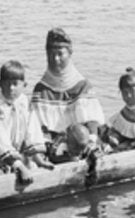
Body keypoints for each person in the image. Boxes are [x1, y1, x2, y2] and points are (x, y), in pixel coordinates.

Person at [27, 28, 106, 162]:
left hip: (83, 142)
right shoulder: (41, 89)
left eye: (60, 54)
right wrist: (49, 146)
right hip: (54, 145)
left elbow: (92, 122)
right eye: (51, 54)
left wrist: (91, 143)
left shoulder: (82, 85)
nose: (55, 59)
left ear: (69, 54)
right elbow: (39, 127)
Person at [0, 60, 52, 183]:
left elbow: (32, 134)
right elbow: (0, 142)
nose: (11, 88)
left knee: (35, 167)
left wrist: (38, 160)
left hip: (20, 155)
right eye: (6, 84)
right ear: (0, 84)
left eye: (15, 84)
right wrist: (20, 166)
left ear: (24, 85)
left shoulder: (26, 105)